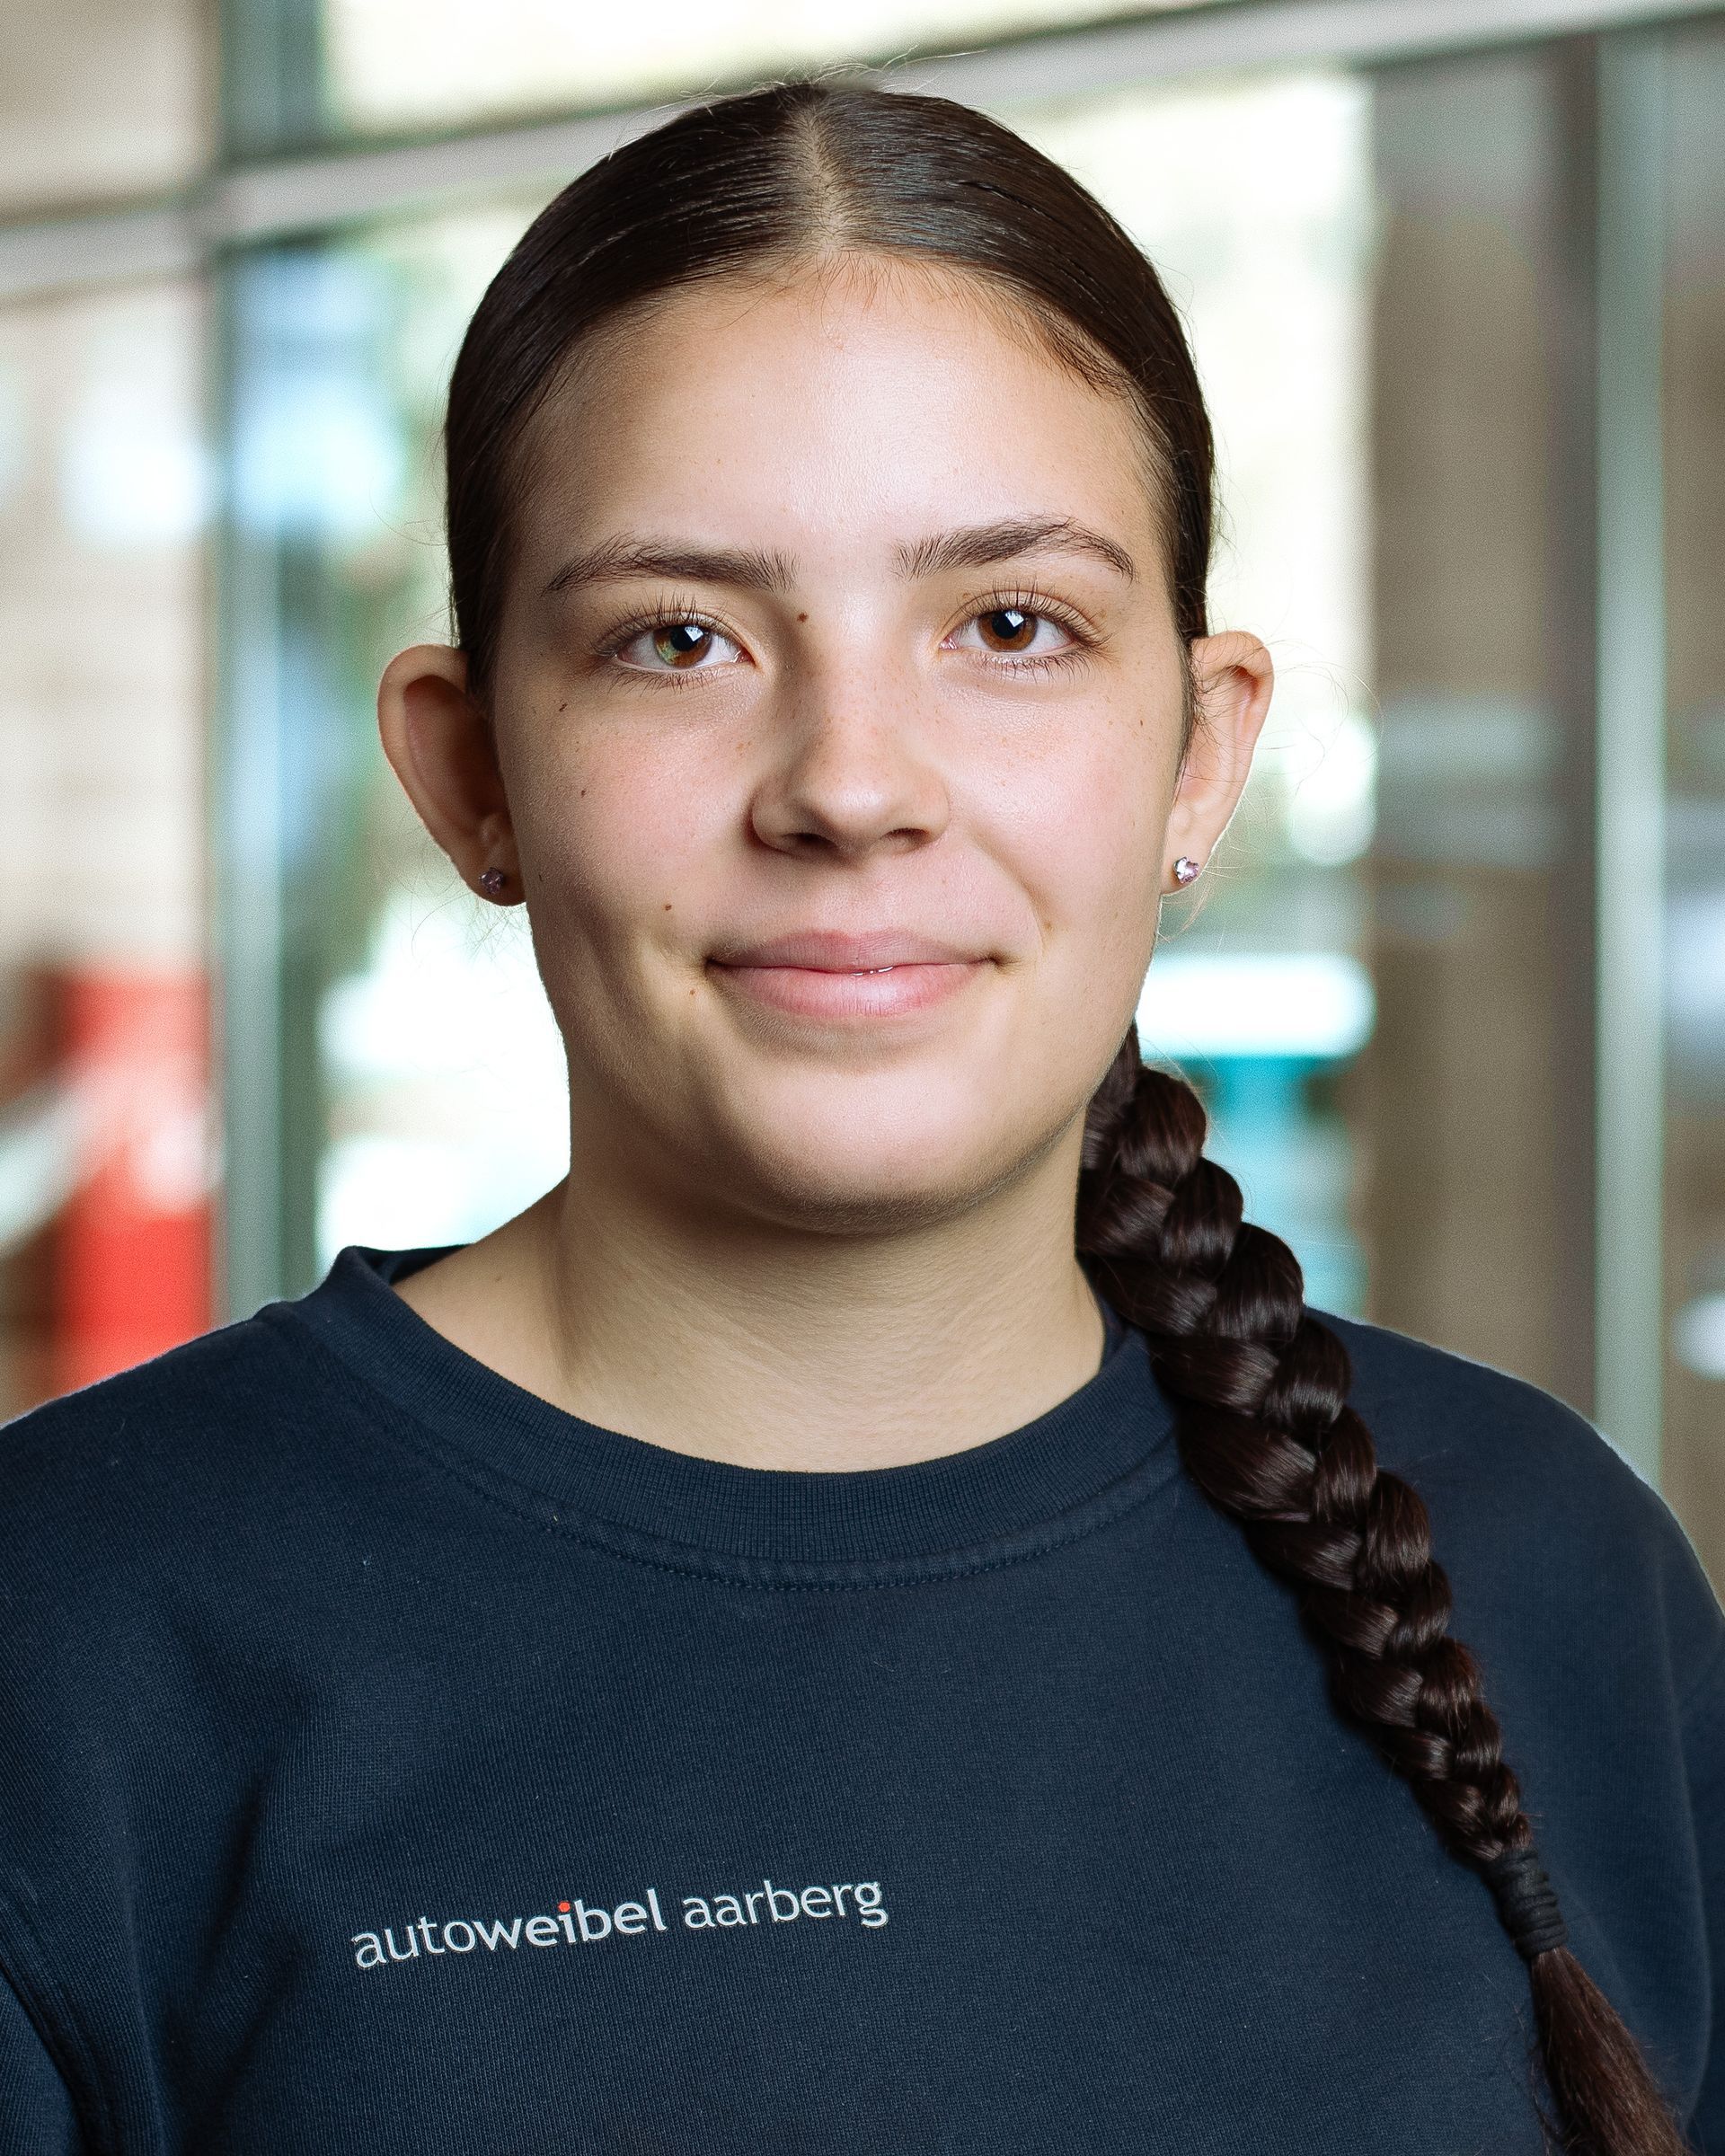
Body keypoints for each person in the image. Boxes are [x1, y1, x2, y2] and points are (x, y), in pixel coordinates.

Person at [0, 78, 1718, 2156]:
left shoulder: (1548, 1569)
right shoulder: (76, 1640)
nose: (850, 783)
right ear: (471, 775)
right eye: (681, 638)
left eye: (1010, 628)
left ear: (1201, 751)